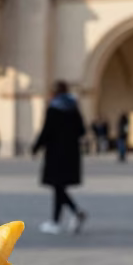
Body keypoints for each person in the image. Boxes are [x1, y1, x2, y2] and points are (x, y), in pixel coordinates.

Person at [32, 82, 87, 235]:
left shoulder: (53, 109)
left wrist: (36, 147)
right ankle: (69, 215)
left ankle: (63, 219)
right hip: (71, 154)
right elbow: (82, 131)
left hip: (55, 154)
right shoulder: (74, 108)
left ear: (54, 93)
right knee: (59, 187)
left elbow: (46, 131)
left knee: (58, 187)